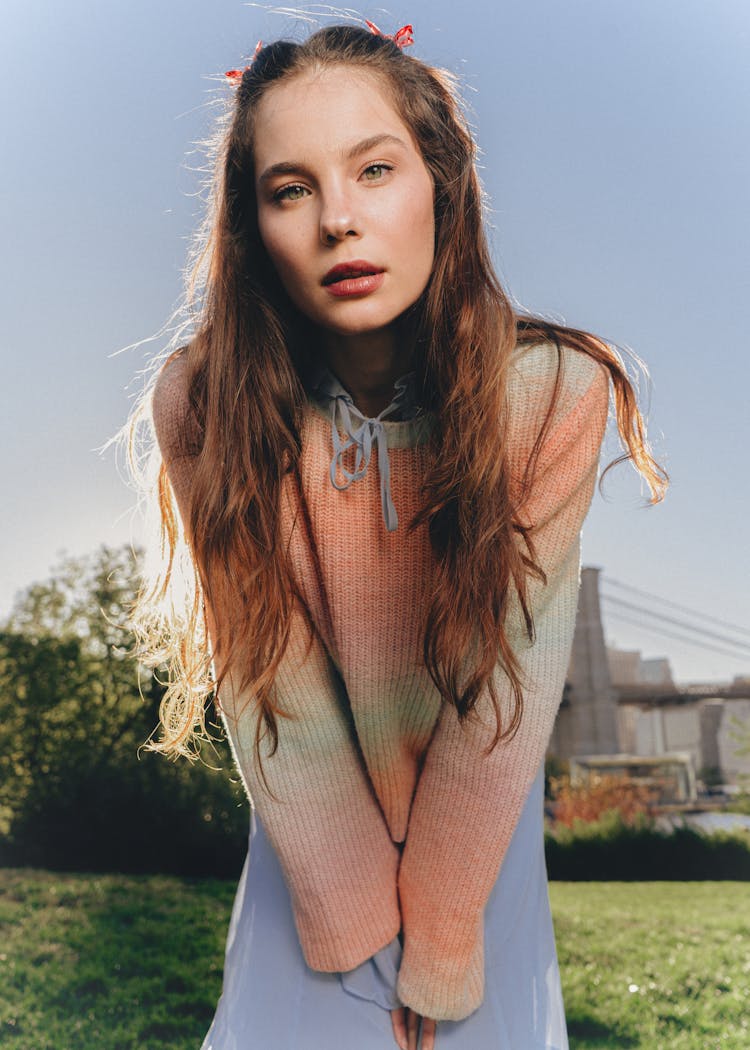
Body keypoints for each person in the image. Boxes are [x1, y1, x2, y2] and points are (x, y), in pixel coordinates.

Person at [123, 20, 667, 1050]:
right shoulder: (205, 402)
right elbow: (266, 674)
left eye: (374, 170)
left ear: (443, 185)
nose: (338, 220)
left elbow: (503, 697)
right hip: (306, 837)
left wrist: (446, 936)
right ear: (254, 226)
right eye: (291, 189)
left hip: (481, 836)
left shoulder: (550, 395)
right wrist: (355, 928)